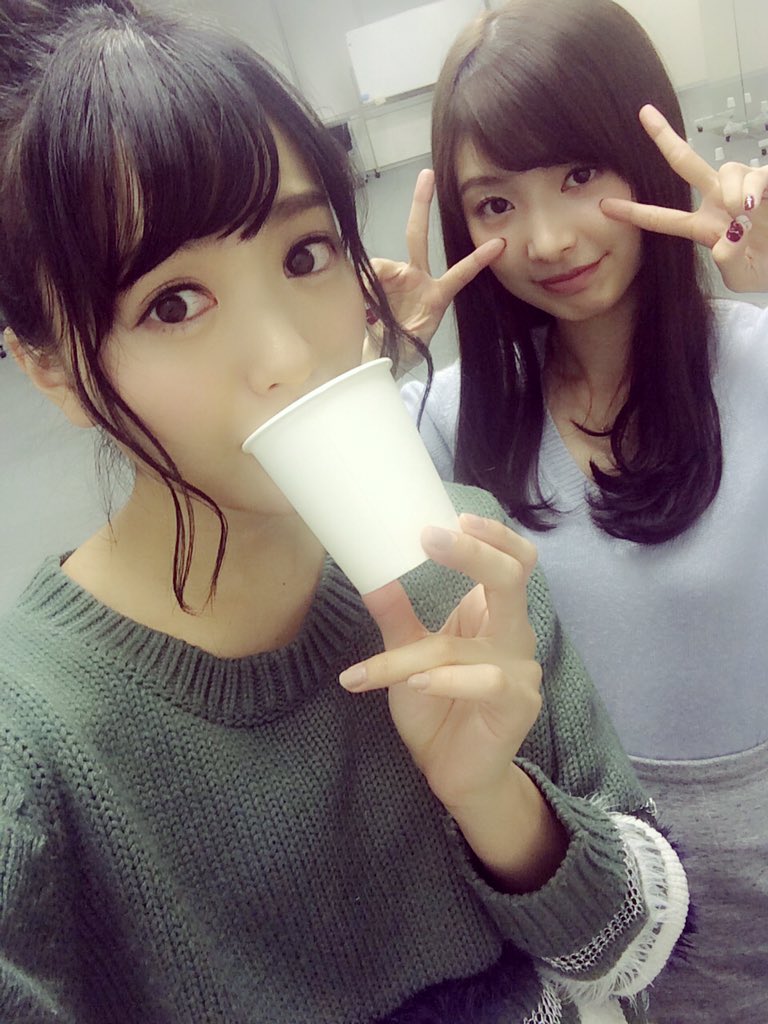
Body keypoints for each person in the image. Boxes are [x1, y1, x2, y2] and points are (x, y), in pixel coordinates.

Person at [0, 2, 690, 1022]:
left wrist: (495, 800)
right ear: (52, 369)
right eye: (173, 303)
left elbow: (634, 956)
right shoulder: (33, 742)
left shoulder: (459, 551)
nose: (288, 353)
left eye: (305, 254)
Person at [385, 0, 768, 1018]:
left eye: (580, 174)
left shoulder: (758, 360)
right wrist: (360, 378)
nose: (548, 238)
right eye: (496, 203)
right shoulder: (440, 421)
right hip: (599, 890)